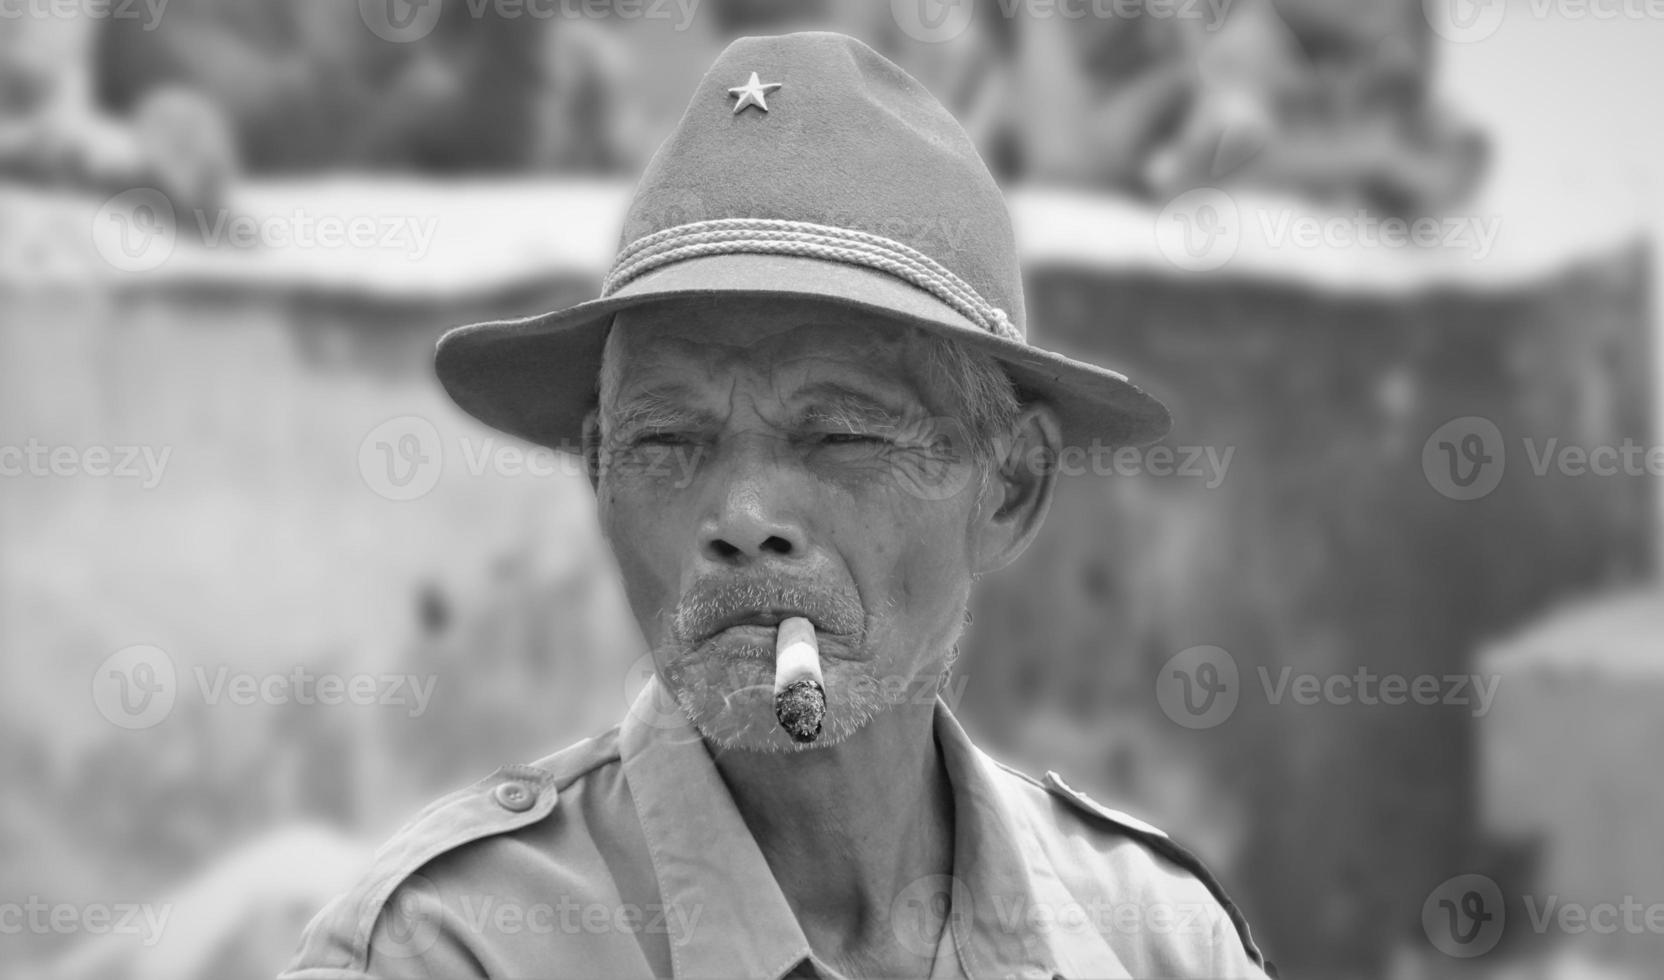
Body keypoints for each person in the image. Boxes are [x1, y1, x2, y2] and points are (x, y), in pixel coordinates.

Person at [282, 31, 1273, 980]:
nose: (743, 514)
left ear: (1008, 487)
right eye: (666, 442)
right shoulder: (450, 951)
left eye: (841, 435)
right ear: (599, 474)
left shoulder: (1153, 939)